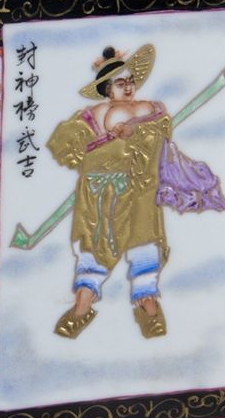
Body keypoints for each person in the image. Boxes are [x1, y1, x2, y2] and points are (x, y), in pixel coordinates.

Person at [46, 45, 170, 339]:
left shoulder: (150, 110)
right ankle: (82, 306)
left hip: (140, 189)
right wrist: (89, 151)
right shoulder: (92, 115)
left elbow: (162, 134)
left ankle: (148, 305)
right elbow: (64, 144)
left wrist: (136, 132)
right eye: (120, 82)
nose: (127, 87)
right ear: (106, 89)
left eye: (130, 81)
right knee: (94, 247)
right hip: (100, 194)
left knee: (144, 246)